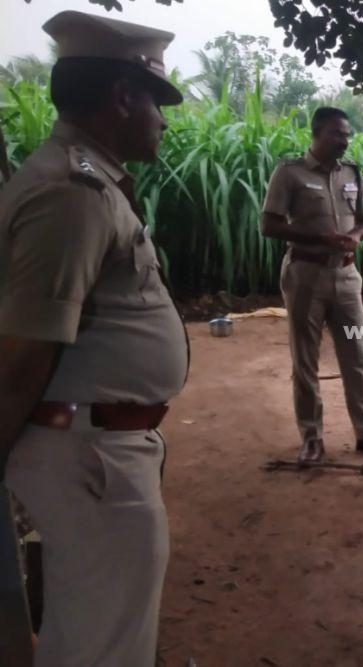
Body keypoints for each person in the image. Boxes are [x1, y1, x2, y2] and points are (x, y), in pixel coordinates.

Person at [0, 10, 188, 665]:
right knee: (103, 645)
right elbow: (25, 348)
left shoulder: (86, 181)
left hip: (96, 448)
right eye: (157, 102)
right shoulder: (74, 193)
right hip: (89, 454)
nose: (164, 121)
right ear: (122, 96)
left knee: (92, 627)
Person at [261, 108, 363, 462]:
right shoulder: (290, 172)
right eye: (337, 134)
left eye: (347, 135)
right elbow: (269, 225)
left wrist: (356, 236)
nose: (344, 141)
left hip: (347, 277)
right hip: (306, 275)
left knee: (356, 357)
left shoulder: (351, 173)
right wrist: (319, 236)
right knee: (305, 360)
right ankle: (312, 438)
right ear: (317, 133)